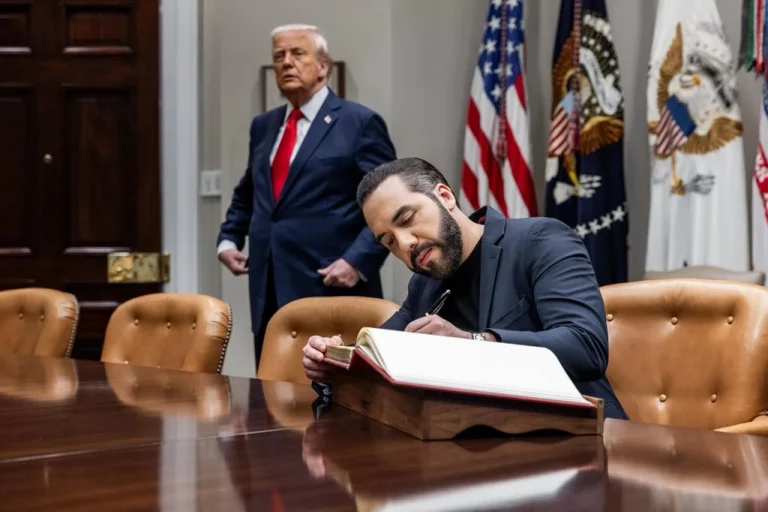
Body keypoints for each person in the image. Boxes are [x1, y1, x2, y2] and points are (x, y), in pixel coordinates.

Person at [302, 157, 628, 420]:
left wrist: (474, 342)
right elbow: (378, 358)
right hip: (482, 451)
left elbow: (586, 347)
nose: (405, 244)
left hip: (582, 445)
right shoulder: (424, 285)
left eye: (407, 219)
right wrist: (332, 365)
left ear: (445, 197)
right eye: (388, 241)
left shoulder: (541, 240)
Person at [217, 24, 395, 367]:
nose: (286, 63)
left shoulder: (359, 122)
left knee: (335, 401)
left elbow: (390, 202)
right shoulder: (264, 126)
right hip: (269, 287)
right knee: (272, 394)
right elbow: (250, 192)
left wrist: (359, 260)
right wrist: (228, 241)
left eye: (298, 54)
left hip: (331, 286)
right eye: (279, 56)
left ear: (324, 66)